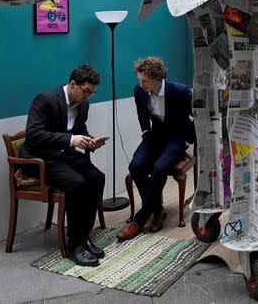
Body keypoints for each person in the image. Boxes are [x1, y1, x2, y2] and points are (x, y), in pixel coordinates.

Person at [21, 64, 107, 266]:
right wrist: (70, 140)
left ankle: (84, 236)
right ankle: (74, 245)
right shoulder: (45, 99)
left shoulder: (83, 104)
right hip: (41, 158)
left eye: (91, 93)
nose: (87, 96)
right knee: (76, 183)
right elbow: (33, 135)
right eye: (85, 91)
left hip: (63, 155)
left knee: (97, 178)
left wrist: (91, 141)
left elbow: (79, 130)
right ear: (72, 84)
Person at [116, 57, 194, 240]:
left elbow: (197, 114)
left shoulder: (180, 91)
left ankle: (140, 220)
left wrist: (190, 139)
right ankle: (157, 209)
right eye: (139, 79)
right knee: (135, 166)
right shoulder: (139, 91)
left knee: (159, 169)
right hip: (155, 135)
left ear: (157, 78)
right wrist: (145, 133)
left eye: (144, 80)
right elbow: (141, 114)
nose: (140, 84)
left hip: (176, 137)